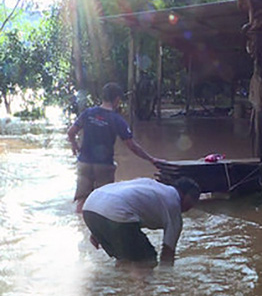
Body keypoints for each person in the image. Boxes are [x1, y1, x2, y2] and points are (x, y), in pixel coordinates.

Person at [67, 82, 163, 212]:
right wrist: (151, 159)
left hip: (84, 163)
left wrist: (74, 145)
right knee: (103, 203)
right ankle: (96, 230)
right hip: (104, 166)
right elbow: (131, 146)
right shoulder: (116, 120)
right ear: (117, 99)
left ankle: (80, 227)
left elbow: (71, 132)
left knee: (81, 201)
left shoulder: (88, 113)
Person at [82, 177, 201, 268]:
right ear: (185, 195)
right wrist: (167, 281)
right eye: (193, 200)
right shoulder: (173, 205)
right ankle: (142, 295)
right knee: (147, 260)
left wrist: (96, 232)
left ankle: (118, 289)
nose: (192, 206)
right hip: (115, 213)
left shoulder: (151, 185)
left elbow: (125, 199)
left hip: (90, 207)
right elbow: (168, 253)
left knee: (126, 258)